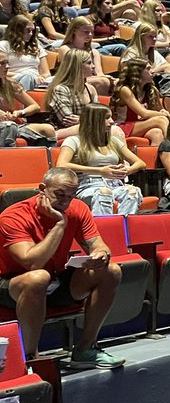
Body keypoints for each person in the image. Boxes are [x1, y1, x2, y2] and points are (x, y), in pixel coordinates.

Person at [0, 168, 125, 367]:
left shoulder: (77, 208)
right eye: (59, 195)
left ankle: (86, 349)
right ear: (42, 189)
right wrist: (59, 225)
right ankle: (30, 358)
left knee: (111, 270)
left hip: (54, 279)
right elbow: (32, 263)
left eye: (71, 196)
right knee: (37, 277)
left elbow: (97, 243)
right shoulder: (13, 216)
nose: (66, 202)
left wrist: (101, 254)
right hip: (11, 283)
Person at [56, 104, 146, 216]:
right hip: (88, 185)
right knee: (104, 193)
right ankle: (104, 229)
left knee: (133, 192)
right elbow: (61, 165)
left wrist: (127, 170)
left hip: (115, 184)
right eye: (107, 118)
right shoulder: (74, 141)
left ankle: (123, 228)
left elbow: (140, 163)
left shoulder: (113, 142)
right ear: (94, 120)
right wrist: (100, 171)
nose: (112, 121)